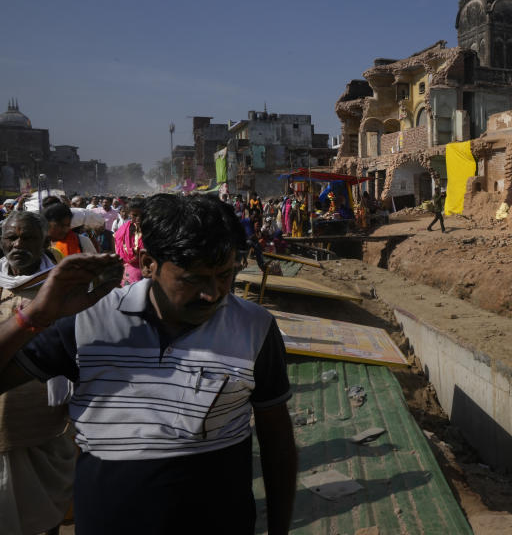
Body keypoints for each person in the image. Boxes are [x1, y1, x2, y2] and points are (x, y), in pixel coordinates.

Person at [0, 194, 297, 534]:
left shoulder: (254, 327)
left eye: (224, 275)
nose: (212, 293)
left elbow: (277, 440)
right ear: (147, 263)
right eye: (193, 279)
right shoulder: (87, 320)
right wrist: (36, 315)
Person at [0, 212, 75, 535]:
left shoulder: (67, 288)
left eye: (27, 237)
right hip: (2, 422)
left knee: (48, 508)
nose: (18, 245)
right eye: (10, 238)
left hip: (49, 423)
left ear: (45, 241)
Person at [113, 197, 145, 286]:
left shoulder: (152, 229)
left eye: (141, 215)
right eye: (134, 215)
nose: (138, 218)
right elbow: (117, 249)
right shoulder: (123, 229)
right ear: (129, 214)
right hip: (129, 272)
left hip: (149, 271)